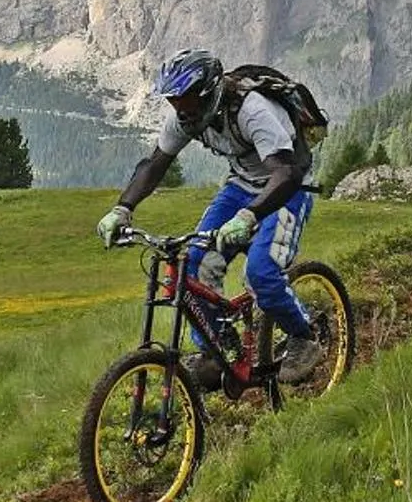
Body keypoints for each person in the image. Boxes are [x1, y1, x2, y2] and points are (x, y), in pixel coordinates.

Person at [96, 50, 325, 385]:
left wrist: (249, 216)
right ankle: (217, 349)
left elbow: (286, 173)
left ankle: (303, 336)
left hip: (285, 191)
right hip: (239, 188)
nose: (180, 108)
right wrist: (122, 208)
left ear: (208, 94)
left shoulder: (252, 110)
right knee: (192, 267)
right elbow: (155, 165)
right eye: (174, 101)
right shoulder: (186, 118)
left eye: (186, 99)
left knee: (261, 274)